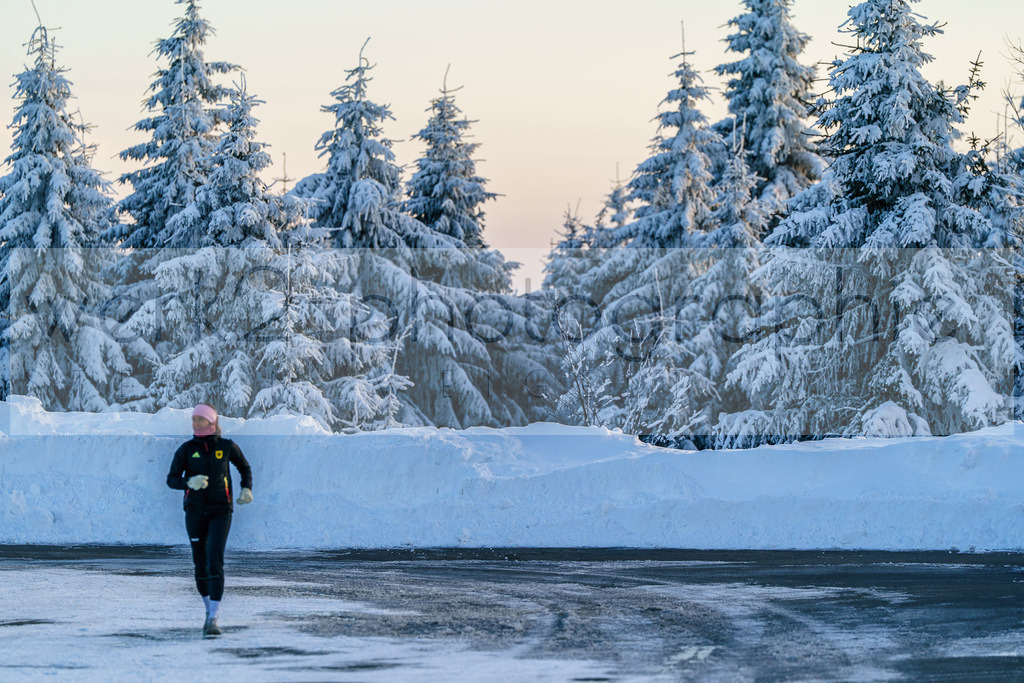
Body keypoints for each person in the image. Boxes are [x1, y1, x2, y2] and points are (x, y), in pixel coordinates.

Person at [166, 403, 253, 637]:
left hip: (220, 511)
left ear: (211, 422)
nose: (194, 422)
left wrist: (246, 489)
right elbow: (171, 479)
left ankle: (214, 617)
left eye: (199, 419)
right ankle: (208, 611)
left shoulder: (226, 447)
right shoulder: (186, 449)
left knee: (215, 561)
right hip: (194, 511)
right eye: (193, 419)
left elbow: (244, 468)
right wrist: (188, 482)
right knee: (200, 564)